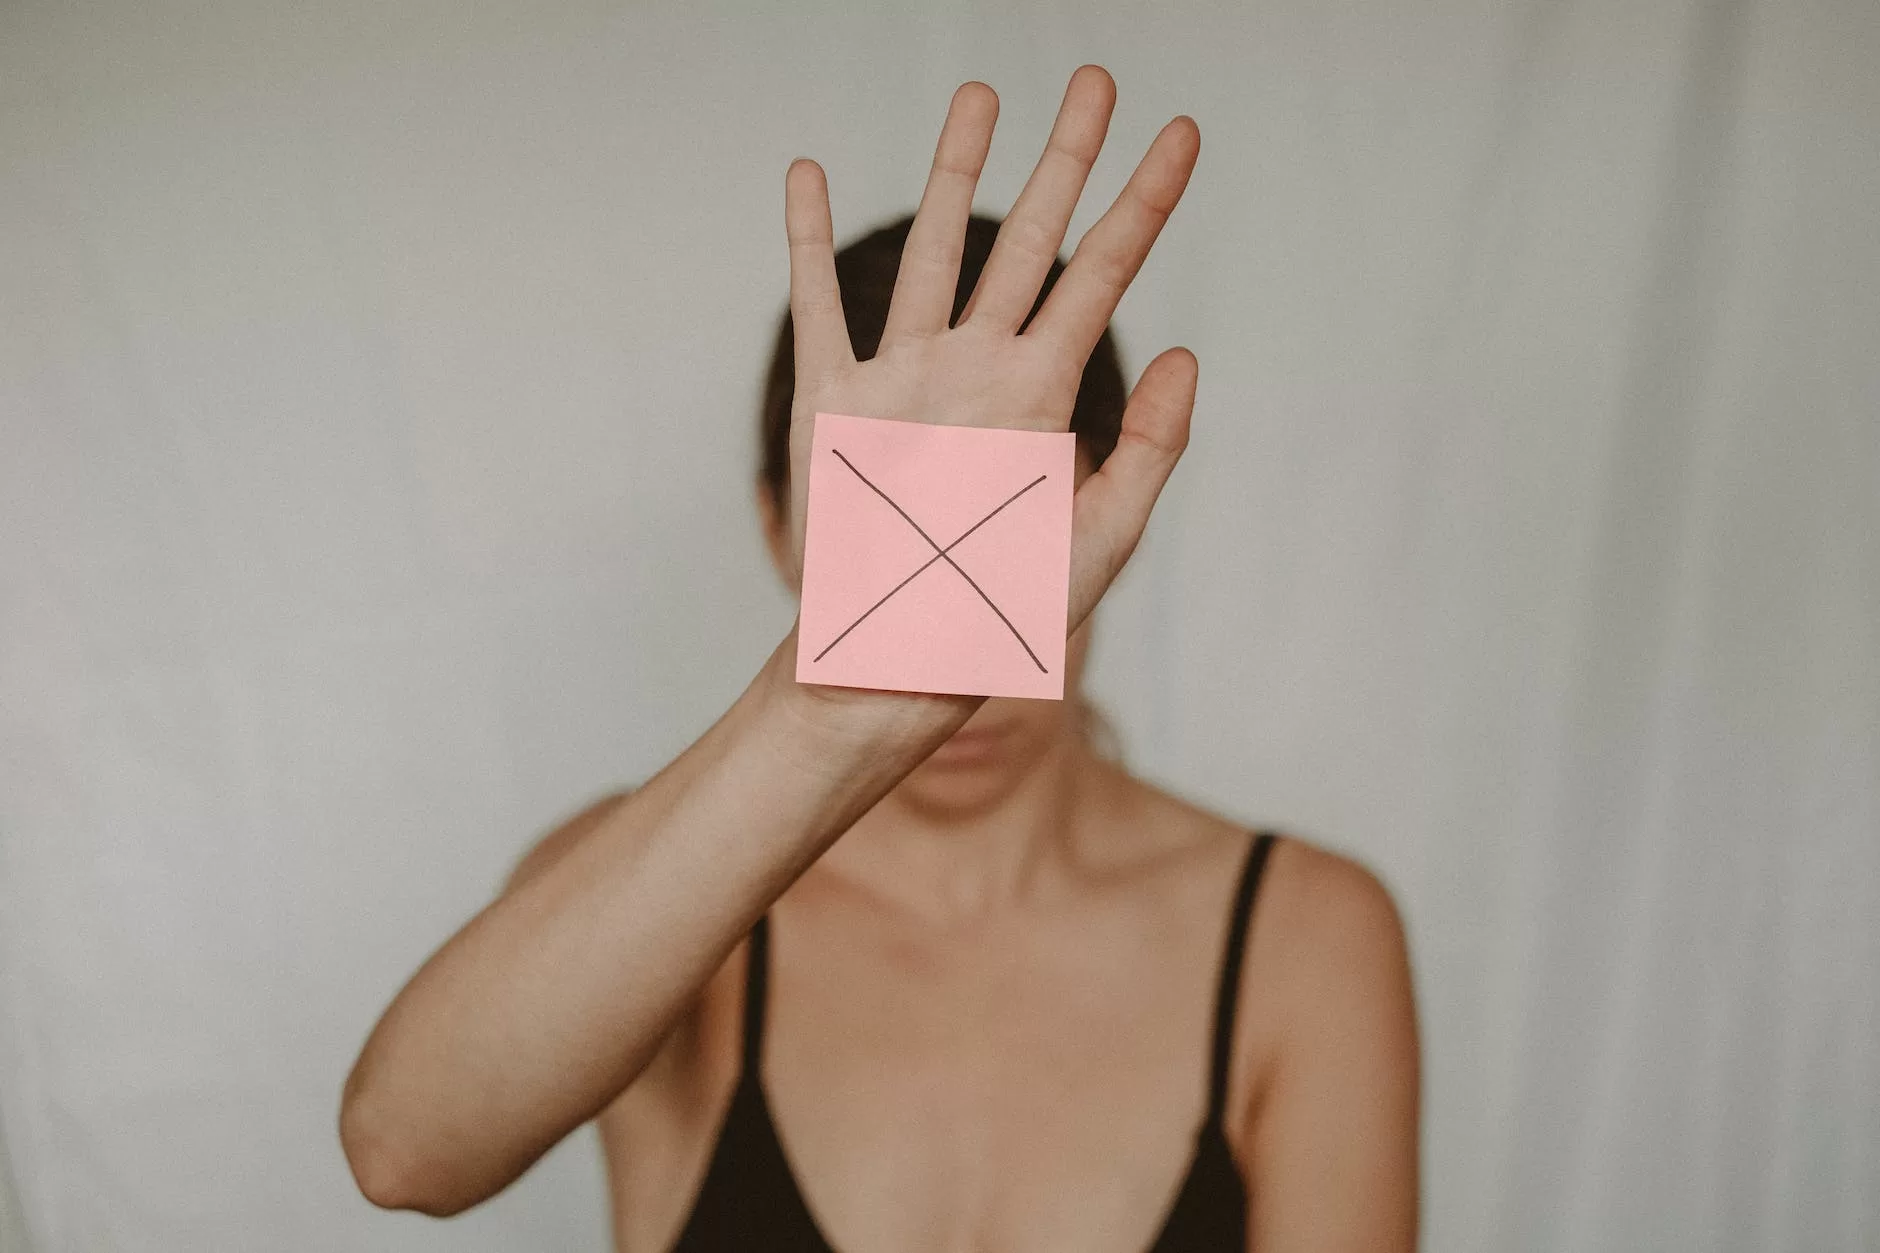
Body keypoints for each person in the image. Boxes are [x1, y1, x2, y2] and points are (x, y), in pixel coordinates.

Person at [339, 65, 1419, 1252]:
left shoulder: (1302, 934)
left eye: (1008, 531)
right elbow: (403, 1146)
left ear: (1107, 518)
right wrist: (817, 710)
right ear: (776, 525)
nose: (961, 656)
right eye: (893, 535)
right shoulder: (650, 894)